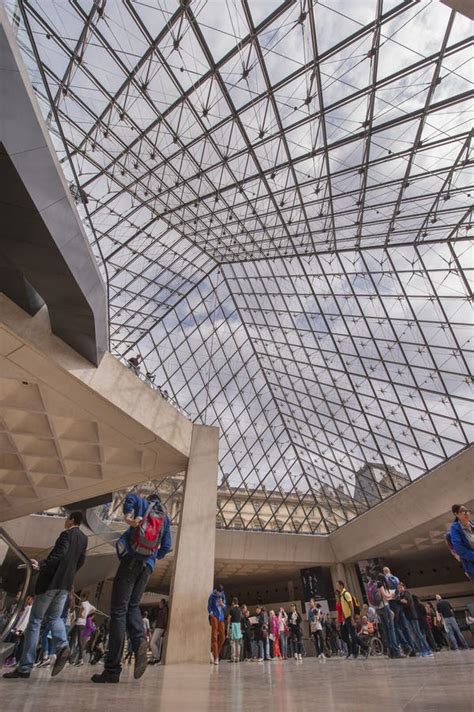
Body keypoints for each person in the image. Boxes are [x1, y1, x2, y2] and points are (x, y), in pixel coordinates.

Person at [91, 492, 171, 683]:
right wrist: (152, 556)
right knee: (133, 606)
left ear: (149, 498)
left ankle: (112, 669)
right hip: (147, 567)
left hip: (131, 562)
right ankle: (140, 640)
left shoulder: (142, 503)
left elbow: (131, 497)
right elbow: (167, 546)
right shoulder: (165, 519)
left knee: (118, 611)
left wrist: (128, 514)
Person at [3, 511, 87, 680]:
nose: (65, 521)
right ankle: (62, 645)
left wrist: (40, 564)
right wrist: (69, 575)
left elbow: (59, 554)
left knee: (35, 621)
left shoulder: (66, 535)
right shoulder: (84, 539)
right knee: (55, 618)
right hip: (65, 586)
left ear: (71, 520)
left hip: (51, 583)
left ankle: (25, 667)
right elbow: (81, 561)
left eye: (67, 518)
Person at [398, 583, 433, 657]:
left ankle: (427, 650)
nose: (400, 589)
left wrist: (400, 600)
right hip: (408, 617)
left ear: (404, 587)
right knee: (414, 634)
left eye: (401, 587)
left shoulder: (407, 594)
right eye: (399, 588)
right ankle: (422, 650)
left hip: (412, 617)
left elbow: (407, 602)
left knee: (418, 633)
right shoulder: (401, 596)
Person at [374, 575, 402, 659]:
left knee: (386, 630)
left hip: (378, 609)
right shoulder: (380, 583)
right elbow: (385, 596)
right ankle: (396, 652)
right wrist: (393, 595)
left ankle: (390, 651)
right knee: (391, 629)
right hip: (384, 607)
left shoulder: (371, 584)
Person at [335, 580, 360, 659]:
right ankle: (361, 647)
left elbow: (351, 606)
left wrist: (352, 617)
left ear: (341, 585)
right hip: (345, 618)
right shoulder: (341, 596)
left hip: (349, 617)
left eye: (338, 585)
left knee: (352, 635)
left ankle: (355, 652)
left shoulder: (346, 594)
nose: (337, 587)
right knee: (346, 635)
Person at [69, 591, 95, 665]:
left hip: (79, 623)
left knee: (75, 640)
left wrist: (82, 614)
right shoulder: (89, 604)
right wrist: (87, 614)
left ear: (83, 597)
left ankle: (80, 659)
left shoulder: (83, 604)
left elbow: (80, 613)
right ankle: (80, 658)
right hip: (83, 624)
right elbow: (94, 609)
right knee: (80, 642)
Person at [449, 505, 474, 580]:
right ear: (456, 514)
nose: (466, 513)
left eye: (467, 511)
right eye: (463, 511)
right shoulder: (455, 528)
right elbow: (460, 549)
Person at [208, 584, 226, 665]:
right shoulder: (212, 595)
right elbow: (209, 607)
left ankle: (214, 652)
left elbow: (225, 607)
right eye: (218, 592)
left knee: (223, 637)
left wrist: (222, 604)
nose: (219, 594)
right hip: (214, 616)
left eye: (220, 593)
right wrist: (211, 614)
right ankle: (216, 658)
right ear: (216, 590)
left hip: (221, 617)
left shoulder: (223, 595)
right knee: (214, 637)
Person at [149, 599, 168, 664]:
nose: (159, 604)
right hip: (158, 627)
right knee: (155, 643)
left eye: (160, 603)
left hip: (160, 628)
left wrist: (165, 628)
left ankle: (156, 657)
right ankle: (152, 659)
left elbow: (165, 619)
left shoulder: (164, 610)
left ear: (163, 603)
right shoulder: (161, 610)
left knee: (152, 643)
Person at [227, 598, 243, 663]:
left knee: (232, 642)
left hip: (233, 626)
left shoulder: (232, 609)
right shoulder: (240, 610)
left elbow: (228, 619)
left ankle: (233, 658)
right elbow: (241, 617)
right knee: (238, 643)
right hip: (238, 626)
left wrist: (228, 625)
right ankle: (237, 658)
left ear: (233, 602)